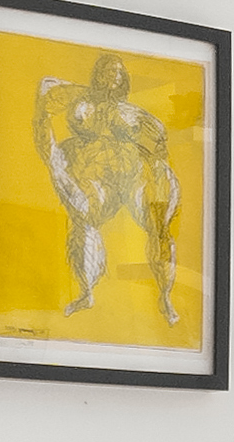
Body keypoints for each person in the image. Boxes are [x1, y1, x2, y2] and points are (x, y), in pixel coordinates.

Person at [37, 51, 189, 338]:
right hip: (88, 168)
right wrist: (52, 154)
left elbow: (159, 135)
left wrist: (158, 163)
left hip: (130, 169)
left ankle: (165, 297)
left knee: (160, 229)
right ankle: (85, 292)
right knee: (84, 221)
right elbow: (45, 102)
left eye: (118, 72)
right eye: (107, 70)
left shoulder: (133, 112)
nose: (113, 76)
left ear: (123, 79)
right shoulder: (79, 101)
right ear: (98, 74)